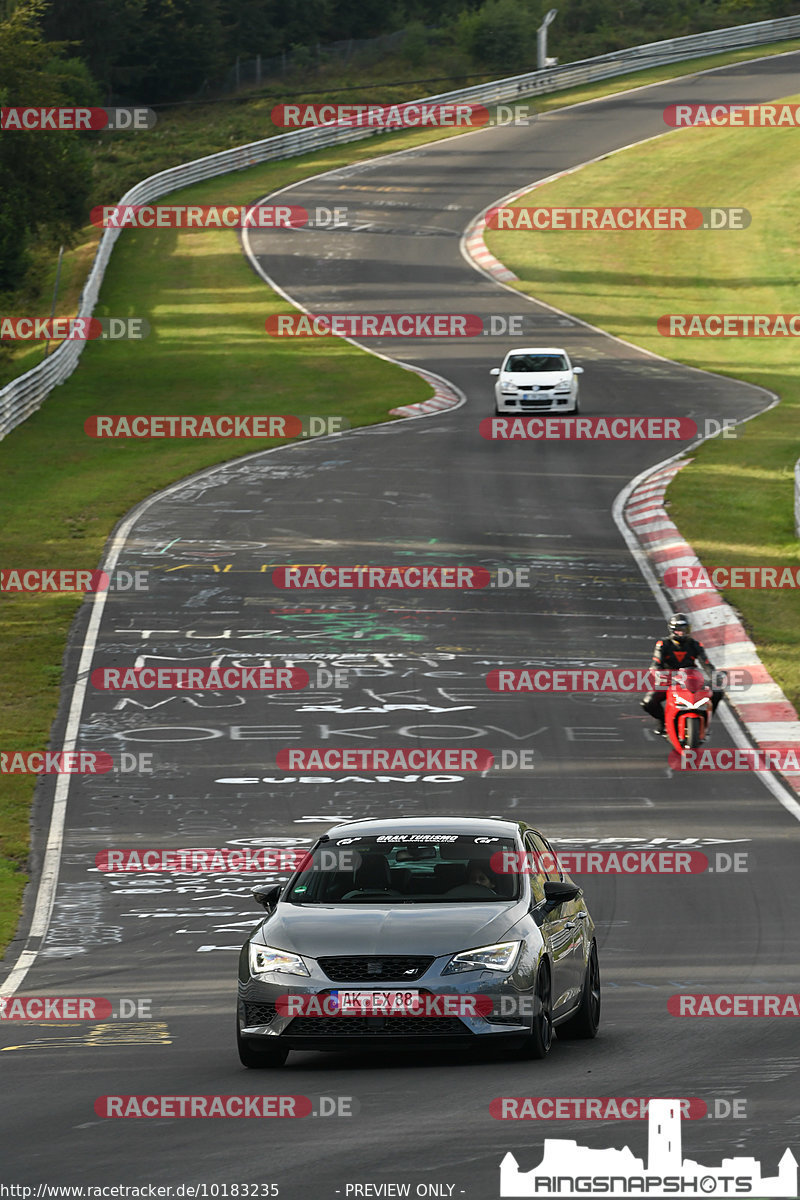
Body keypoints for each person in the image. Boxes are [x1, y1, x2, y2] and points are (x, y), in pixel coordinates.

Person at [641, 613, 724, 735]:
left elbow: (706, 663)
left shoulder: (696, 645)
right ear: (672, 630)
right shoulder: (663, 645)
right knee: (648, 703)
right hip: (668, 680)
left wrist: (715, 676)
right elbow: (655, 663)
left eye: (684, 630)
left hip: (691, 678)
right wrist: (658, 673)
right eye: (678, 630)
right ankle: (663, 722)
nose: (682, 633)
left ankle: (705, 722)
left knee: (717, 692)